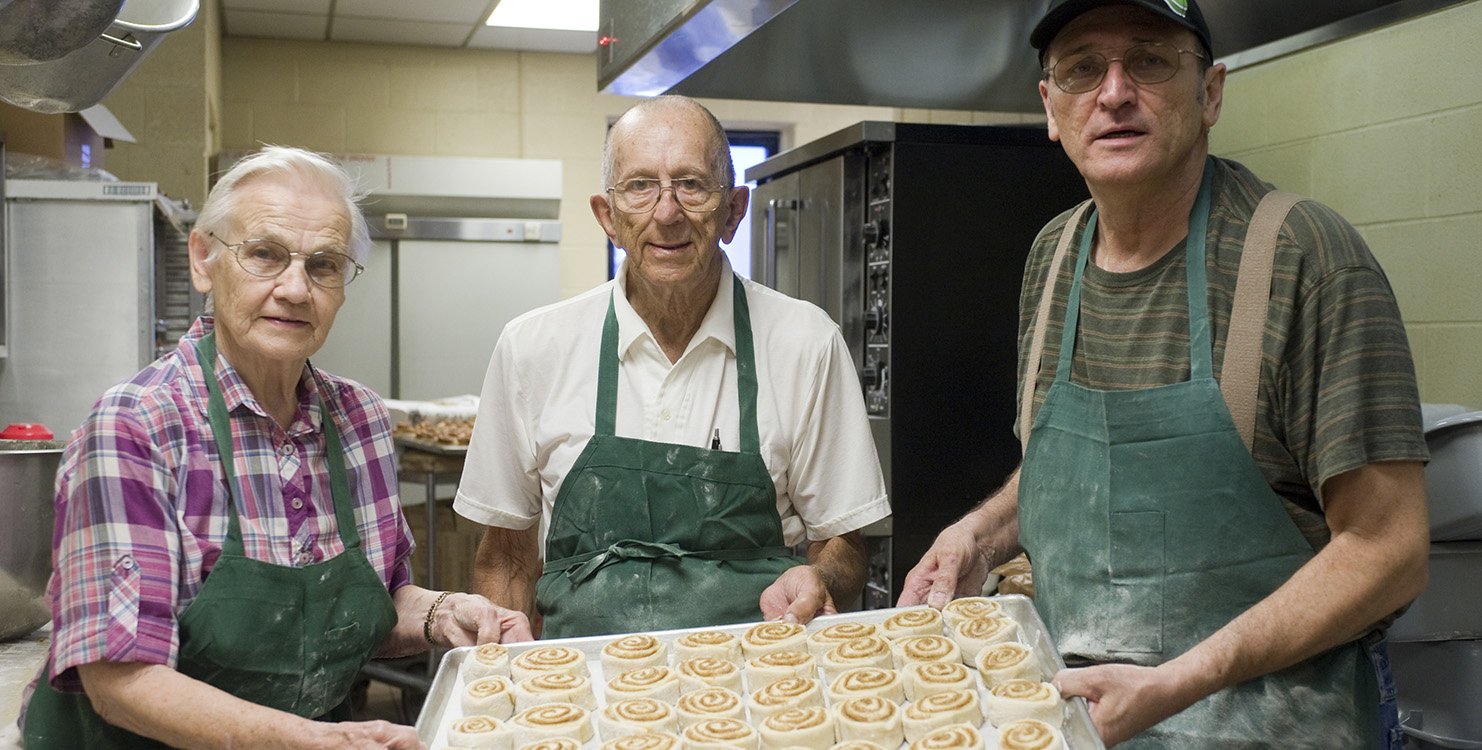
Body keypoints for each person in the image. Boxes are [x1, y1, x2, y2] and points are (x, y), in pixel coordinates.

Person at [898, 1, 1430, 747]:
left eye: (1148, 60)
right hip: (1080, 715)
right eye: (1083, 68)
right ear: (1051, 108)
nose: (1113, 92)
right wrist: (976, 537)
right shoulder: (1053, 260)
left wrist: (1182, 681)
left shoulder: (1304, 259)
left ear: (1210, 93)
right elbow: (1075, 478)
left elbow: (1389, 551)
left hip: (1274, 724)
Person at [19, 146, 533, 750]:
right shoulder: (136, 428)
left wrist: (443, 612)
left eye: (323, 265)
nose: (295, 288)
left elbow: (373, 605)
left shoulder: (360, 422)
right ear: (204, 259)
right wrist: (312, 740)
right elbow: (118, 676)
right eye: (265, 254)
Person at [455, 95, 890, 639]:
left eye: (691, 183)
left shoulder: (805, 343)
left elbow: (845, 544)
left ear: (733, 211)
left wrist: (820, 575)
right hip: (584, 687)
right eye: (639, 186)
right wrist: (508, 664)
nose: (666, 212)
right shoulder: (532, 349)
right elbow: (506, 557)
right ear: (607, 217)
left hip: (760, 689)